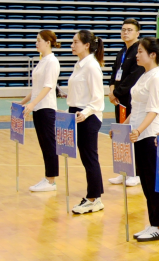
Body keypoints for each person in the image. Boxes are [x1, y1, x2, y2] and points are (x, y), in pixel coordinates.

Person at [128, 38, 159, 239]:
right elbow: (137, 107)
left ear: (152, 55)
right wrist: (123, 126)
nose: (137, 55)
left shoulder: (157, 78)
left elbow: (154, 110)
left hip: (150, 136)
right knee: (145, 181)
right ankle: (154, 222)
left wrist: (138, 130)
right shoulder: (144, 75)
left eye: (140, 51)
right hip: (139, 135)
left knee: (154, 182)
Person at [66, 30, 107, 214]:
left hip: (88, 116)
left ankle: (93, 198)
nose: (72, 45)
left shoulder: (91, 66)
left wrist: (85, 113)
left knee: (90, 158)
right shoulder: (79, 64)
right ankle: (94, 196)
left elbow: (98, 98)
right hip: (77, 114)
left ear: (86, 45)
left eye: (76, 42)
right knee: (86, 158)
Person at [25, 30, 62, 193]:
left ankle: (51, 180)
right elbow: (36, 88)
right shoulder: (42, 61)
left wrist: (32, 103)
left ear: (48, 42)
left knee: (49, 143)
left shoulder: (52, 62)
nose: (36, 43)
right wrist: (23, 102)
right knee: (43, 143)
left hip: (46, 108)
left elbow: (48, 87)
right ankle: (47, 177)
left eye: (39, 40)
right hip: (38, 107)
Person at [108, 18, 144, 186]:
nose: (125, 32)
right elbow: (114, 72)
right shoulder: (122, 51)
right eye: (123, 29)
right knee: (121, 135)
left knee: (131, 134)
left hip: (130, 100)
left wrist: (116, 92)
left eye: (129, 30)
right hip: (119, 100)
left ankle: (135, 173)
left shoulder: (138, 51)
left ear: (137, 33)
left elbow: (133, 77)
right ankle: (124, 170)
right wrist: (111, 91)